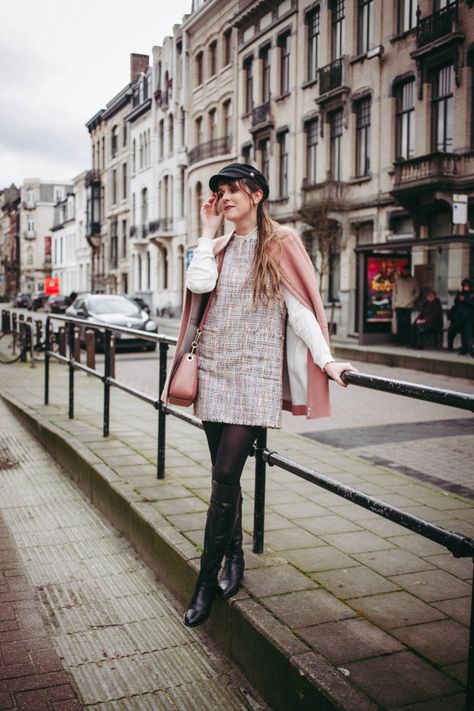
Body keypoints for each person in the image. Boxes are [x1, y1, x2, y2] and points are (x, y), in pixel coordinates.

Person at [162, 163, 356, 628]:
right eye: (219, 193)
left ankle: (204, 583)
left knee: (227, 471)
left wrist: (327, 360)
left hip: (254, 376)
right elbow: (198, 287)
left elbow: (301, 309)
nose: (225, 197)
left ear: (257, 195)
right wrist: (208, 232)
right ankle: (234, 557)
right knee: (221, 477)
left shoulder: (281, 242)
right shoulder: (219, 246)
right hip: (213, 369)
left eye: (233, 190)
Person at [392, 265, 420, 345]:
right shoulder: (398, 281)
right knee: (399, 323)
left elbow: (418, 291)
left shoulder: (413, 281)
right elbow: (394, 293)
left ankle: (406, 339)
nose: (405, 272)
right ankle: (399, 340)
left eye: (407, 270)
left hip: (408, 305)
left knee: (407, 323)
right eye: (404, 270)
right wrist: (394, 303)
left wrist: (412, 298)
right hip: (399, 305)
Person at [452, 278, 474, 356]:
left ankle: (471, 350)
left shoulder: (472, 294)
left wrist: (465, 299)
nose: (465, 288)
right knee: (463, 334)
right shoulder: (461, 293)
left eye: (467, 286)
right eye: (464, 286)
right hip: (461, 317)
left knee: (469, 334)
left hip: (469, 318)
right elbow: (456, 303)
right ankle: (464, 349)